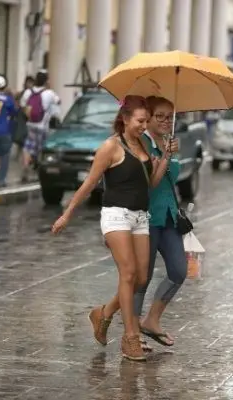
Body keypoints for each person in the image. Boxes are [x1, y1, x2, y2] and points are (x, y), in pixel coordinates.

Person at [52, 95, 167, 362]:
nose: (144, 125)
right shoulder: (110, 147)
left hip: (140, 217)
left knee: (140, 278)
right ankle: (130, 339)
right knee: (127, 274)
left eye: (146, 121)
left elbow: (150, 183)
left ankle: (103, 313)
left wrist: (166, 154)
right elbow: (89, 184)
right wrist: (67, 214)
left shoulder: (142, 144)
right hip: (116, 216)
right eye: (140, 121)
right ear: (125, 119)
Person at [134, 96, 186, 349]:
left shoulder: (171, 142)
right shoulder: (141, 143)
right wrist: (164, 156)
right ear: (149, 117)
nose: (166, 121)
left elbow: (174, 177)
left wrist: (170, 153)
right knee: (140, 277)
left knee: (179, 271)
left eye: (170, 117)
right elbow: (146, 183)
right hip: (146, 217)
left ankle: (151, 320)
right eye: (161, 116)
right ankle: (132, 333)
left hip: (168, 216)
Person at [19, 70, 60, 182]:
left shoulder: (28, 92)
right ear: (46, 81)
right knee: (42, 148)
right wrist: (49, 88)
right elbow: (58, 101)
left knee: (28, 147)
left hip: (30, 124)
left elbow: (23, 105)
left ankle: (26, 166)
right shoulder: (49, 93)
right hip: (43, 126)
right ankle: (39, 170)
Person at [11, 76, 34, 160]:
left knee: (26, 136)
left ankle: (26, 155)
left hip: (30, 116)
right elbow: (16, 103)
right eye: (28, 82)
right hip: (21, 116)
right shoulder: (21, 93)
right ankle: (20, 153)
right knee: (20, 135)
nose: (29, 84)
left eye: (31, 83)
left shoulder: (34, 94)